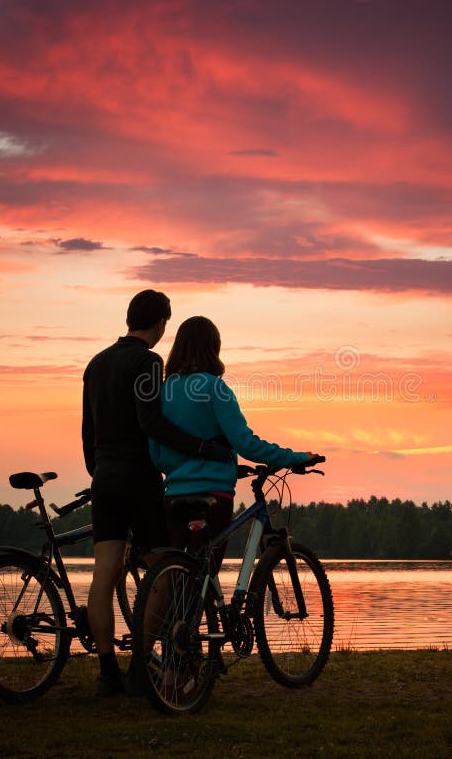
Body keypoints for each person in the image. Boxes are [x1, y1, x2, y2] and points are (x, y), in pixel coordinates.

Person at [82, 291, 232, 696]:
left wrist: (99, 472)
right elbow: (152, 423)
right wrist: (201, 448)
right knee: (165, 571)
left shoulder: (96, 364)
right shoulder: (148, 363)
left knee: (104, 573)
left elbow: (87, 432)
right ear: (162, 322)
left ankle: (107, 672)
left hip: (105, 478)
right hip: (140, 479)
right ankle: (140, 667)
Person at [149, 315, 319, 561]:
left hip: (174, 496)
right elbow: (246, 444)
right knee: (205, 577)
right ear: (213, 348)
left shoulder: (163, 390)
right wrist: (295, 457)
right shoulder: (215, 387)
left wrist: (182, 470)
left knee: (179, 579)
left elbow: (155, 450)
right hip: (214, 497)